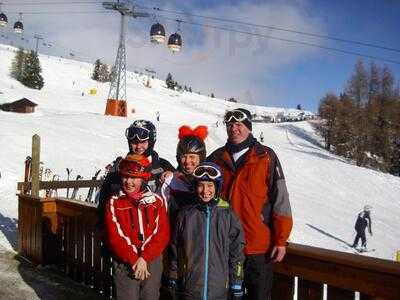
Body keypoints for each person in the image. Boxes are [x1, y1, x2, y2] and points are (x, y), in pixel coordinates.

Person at [208, 108, 293, 300]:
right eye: (230, 125)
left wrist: (281, 239)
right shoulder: (216, 158)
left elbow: (281, 199)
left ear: (249, 127)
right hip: (225, 247)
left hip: (257, 248)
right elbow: (199, 190)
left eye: (239, 124)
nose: (234, 129)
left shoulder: (266, 157)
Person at [168, 162, 245, 300]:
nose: (205, 191)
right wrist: (174, 276)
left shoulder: (227, 214)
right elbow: (176, 249)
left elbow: (237, 251)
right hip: (191, 287)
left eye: (210, 185)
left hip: (219, 289)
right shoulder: (186, 214)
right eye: (200, 185)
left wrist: (237, 282)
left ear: (217, 187)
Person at [103, 154, 170, 300]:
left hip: (151, 260)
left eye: (134, 178)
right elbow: (116, 236)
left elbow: (161, 232)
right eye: (125, 177)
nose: (129, 182)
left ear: (143, 178)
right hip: (126, 261)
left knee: (150, 296)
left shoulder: (156, 201)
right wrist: (134, 259)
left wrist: (144, 258)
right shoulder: (115, 202)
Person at [97, 120, 175, 228]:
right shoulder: (118, 167)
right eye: (134, 142)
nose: (138, 147)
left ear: (151, 142)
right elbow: (104, 203)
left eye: (143, 142)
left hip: (156, 231)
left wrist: (173, 176)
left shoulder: (163, 166)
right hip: (124, 231)